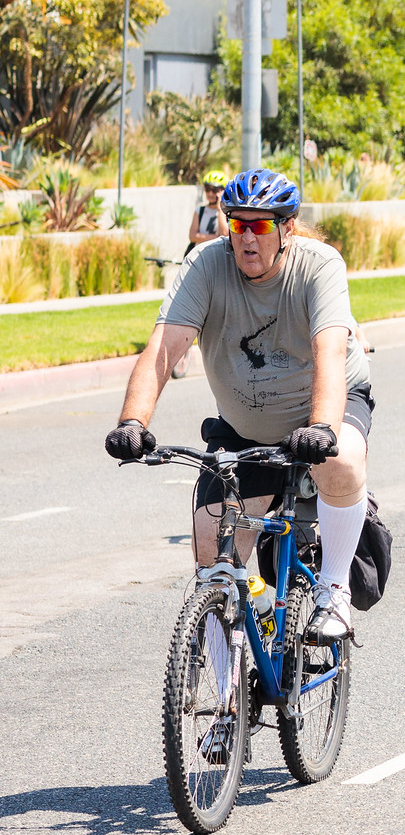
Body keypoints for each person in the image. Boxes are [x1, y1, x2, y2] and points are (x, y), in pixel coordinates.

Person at [106, 168, 372, 645]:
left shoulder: (319, 264)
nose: (247, 237)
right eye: (238, 225)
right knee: (212, 557)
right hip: (244, 425)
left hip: (321, 411)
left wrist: (322, 429)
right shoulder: (207, 266)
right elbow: (166, 347)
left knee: (343, 457)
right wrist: (133, 420)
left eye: (261, 225)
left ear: (287, 228)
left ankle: (334, 592)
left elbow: (330, 352)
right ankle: (225, 706)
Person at [188, 168, 229, 252]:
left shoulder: (227, 213)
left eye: (214, 190)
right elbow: (192, 236)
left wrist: (219, 208)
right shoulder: (200, 210)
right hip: (200, 254)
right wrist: (216, 238)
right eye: (207, 189)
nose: (210, 193)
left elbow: (225, 235)